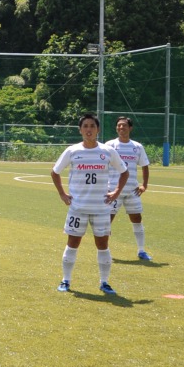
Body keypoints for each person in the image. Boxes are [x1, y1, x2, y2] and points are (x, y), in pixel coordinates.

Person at [50, 113, 128, 295]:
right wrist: (62, 194)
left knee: (103, 244)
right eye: (85, 126)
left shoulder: (107, 151)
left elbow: (124, 172)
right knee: (72, 243)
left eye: (92, 126)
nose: (89, 129)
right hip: (78, 208)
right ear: (80, 130)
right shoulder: (72, 151)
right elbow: (55, 172)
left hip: (101, 208)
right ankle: (66, 280)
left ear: (98, 129)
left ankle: (104, 282)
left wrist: (116, 192)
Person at [107, 115, 153, 260]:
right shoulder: (110, 145)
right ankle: (104, 251)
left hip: (132, 190)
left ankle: (141, 250)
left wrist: (144, 185)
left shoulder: (137, 147)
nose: (121, 127)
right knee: (107, 220)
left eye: (124, 125)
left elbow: (145, 165)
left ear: (130, 128)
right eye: (119, 125)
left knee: (137, 218)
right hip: (113, 190)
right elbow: (102, 165)